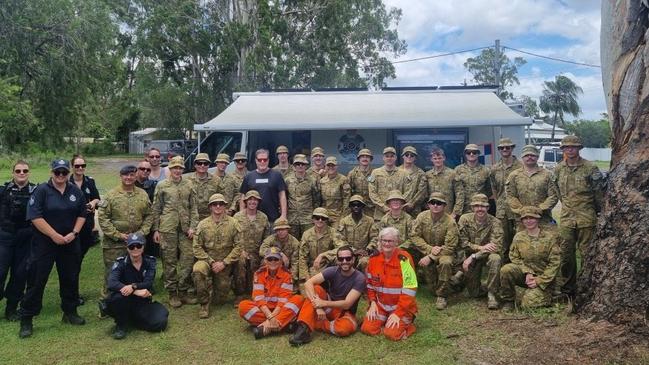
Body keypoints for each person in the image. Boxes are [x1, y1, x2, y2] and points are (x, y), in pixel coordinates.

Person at [18, 159, 87, 338]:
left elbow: (82, 214)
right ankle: (27, 319)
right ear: (52, 172)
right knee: (36, 280)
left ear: (68, 173)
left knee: (70, 278)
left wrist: (74, 233)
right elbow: (35, 216)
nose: (61, 176)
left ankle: (70, 312)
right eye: (58, 172)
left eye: (64, 172)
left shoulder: (75, 191)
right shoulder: (41, 191)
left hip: (70, 242)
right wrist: (54, 235)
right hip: (45, 244)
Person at [554, 135, 604, 299]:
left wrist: (599, 211)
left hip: (586, 218)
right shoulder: (559, 168)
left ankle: (586, 288)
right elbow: (558, 192)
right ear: (563, 150)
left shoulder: (590, 168)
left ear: (579, 148)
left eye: (573, 147)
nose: (570, 149)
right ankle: (568, 290)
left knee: (587, 254)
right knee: (566, 255)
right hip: (567, 219)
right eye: (567, 147)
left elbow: (598, 194)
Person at [98, 165, 153, 306]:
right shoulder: (111, 195)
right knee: (112, 273)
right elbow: (103, 219)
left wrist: (141, 234)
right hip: (115, 244)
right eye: (125, 175)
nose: (128, 178)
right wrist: (119, 235)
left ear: (136, 176)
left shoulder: (142, 194)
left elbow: (149, 216)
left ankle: (135, 301)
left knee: (135, 271)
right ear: (120, 176)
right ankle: (107, 303)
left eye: (131, 175)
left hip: (136, 244)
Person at [289, 246, 366, 345]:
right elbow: (308, 283)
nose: (344, 261)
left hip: (344, 311)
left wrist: (322, 303)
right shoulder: (332, 270)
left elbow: (347, 304)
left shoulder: (359, 278)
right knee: (316, 289)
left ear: (353, 259)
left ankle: (313, 322)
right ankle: (302, 331)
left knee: (344, 329)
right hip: (328, 307)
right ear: (337, 260)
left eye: (348, 258)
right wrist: (318, 307)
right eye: (341, 259)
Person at [151, 156, 199, 308]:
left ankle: (184, 290)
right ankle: (172, 293)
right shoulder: (162, 185)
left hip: (185, 229)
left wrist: (193, 226)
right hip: (167, 228)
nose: (177, 170)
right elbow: (156, 208)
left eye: (180, 168)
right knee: (169, 261)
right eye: (174, 168)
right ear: (170, 169)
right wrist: (156, 229)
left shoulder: (189, 185)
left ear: (183, 170)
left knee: (187, 260)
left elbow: (194, 208)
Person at [105, 233, 168, 339]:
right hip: (124, 299)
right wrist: (134, 291)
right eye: (131, 246)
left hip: (141, 301)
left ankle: (132, 321)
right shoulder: (120, 262)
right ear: (127, 248)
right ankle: (121, 325)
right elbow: (111, 282)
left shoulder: (150, 261)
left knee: (160, 323)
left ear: (143, 246)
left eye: (138, 246)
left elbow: (148, 282)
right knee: (117, 298)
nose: (135, 249)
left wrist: (133, 286)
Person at [499, 206, 561, 311]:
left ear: (538, 219)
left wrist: (539, 280)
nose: (528, 221)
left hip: (545, 279)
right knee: (506, 269)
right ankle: (508, 301)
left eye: (532, 218)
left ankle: (549, 295)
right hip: (526, 275)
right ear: (522, 220)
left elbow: (555, 263)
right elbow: (514, 256)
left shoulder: (550, 238)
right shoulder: (519, 237)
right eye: (525, 218)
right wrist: (527, 272)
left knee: (527, 305)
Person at [361, 227, 417, 341]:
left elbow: (410, 289)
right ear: (380, 241)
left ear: (397, 242)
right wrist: (372, 303)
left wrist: (398, 313)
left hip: (401, 307)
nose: (387, 243)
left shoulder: (404, 259)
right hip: (381, 305)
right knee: (367, 329)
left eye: (390, 241)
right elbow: (370, 284)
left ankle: (408, 326)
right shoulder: (373, 259)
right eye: (384, 240)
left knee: (391, 335)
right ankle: (388, 322)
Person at [192, 193, 242, 318]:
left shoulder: (234, 223)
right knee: (198, 270)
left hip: (226, 262)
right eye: (215, 204)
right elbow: (196, 247)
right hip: (208, 260)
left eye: (221, 204)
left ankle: (226, 288)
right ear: (210, 207)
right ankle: (204, 303)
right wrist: (211, 262)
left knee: (219, 300)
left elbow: (239, 246)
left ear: (225, 206)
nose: (218, 206)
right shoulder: (202, 225)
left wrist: (224, 262)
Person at [238, 247, 304, 339]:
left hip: (280, 309)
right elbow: (258, 299)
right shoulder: (259, 274)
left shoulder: (287, 275)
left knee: (298, 299)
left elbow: (283, 301)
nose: (273, 261)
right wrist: (270, 317)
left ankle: (265, 327)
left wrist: (271, 318)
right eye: (270, 259)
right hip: (264, 310)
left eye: (276, 259)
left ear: (281, 261)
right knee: (243, 306)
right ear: (265, 261)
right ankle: (284, 325)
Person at [410, 192, 459, 310]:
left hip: (444, 253)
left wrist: (431, 257)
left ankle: (442, 296)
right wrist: (429, 249)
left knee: (445, 263)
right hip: (426, 250)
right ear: (428, 205)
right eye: (433, 202)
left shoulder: (450, 222)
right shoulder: (422, 217)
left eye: (439, 203)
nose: (435, 205)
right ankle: (452, 279)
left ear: (444, 206)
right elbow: (414, 236)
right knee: (432, 289)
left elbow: (450, 247)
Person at [0, 161, 36, 321]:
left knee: (20, 274)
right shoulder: (3, 191)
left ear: (29, 172)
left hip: (26, 238)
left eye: (25, 170)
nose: (22, 173)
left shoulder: (36, 191)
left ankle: (11, 309)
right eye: (18, 170)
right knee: (0, 272)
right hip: (5, 237)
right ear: (13, 172)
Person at [458, 193, 503, 309]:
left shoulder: (495, 222)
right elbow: (462, 242)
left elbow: (496, 246)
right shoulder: (464, 219)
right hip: (471, 256)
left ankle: (492, 294)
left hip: (485, 256)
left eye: (483, 206)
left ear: (488, 208)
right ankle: (483, 286)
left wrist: (473, 256)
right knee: (474, 293)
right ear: (472, 208)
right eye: (476, 206)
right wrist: (480, 248)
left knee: (496, 258)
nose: (480, 209)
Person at [70, 154, 100, 303]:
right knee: (73, 262)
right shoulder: (66, 182)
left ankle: (73, 293)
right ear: (72, 167)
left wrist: (93, 203)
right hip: (71, 228)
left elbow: (97, 198)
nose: (80, 168)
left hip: (87, 228)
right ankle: (73, 296)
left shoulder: (90, 182)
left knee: (78, 260)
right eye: (77, 166)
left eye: (83, 166)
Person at [505, 145, 559, 225]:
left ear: (537, 157)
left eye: (532, 155)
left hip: (543, 218)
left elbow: (553, 195)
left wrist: (540, 209)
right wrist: (522, 210)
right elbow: (510, 196)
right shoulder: (514, 175)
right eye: (526, 155)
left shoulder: (547, 175)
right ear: (522, 157)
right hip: (522, 219)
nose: (529, 157)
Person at [232, 190, 270, 304]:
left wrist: (263, 253)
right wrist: (240, 251)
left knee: (265, 264)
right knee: (240, 262)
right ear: (245, 201)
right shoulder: (237, 217)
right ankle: (240, 294)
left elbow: (266, 239)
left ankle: (256, 291)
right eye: (250, 199)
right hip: (240, 251)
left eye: (255, 200)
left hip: (257, 253)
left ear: (258, 202)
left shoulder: (263, 217)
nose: (252, 202)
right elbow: (232, 237)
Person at [489, 138, 522, 264]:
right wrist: (499, 203)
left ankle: (518, 266)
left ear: (512, 148)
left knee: (519, 238)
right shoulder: (494, 168)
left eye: (507, 147)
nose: (505, 150)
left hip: (518, 209)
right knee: (503, 240)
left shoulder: (521, 166)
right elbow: (494, 189)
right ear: (499, 150)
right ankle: (503, 266)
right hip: (502, 210)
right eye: (502, 148)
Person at [297, 208, 344, 288]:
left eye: (323, 218)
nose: (320, 220)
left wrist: (323, 255)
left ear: (327, 220)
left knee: (341, 258)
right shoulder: (307, 234)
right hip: (314, 267)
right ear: (313, 219)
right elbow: (302, 257)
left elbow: (342, 248)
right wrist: (306, 277)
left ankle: (341, 282)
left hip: (329, 264)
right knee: (307, 291)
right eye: (317, 218)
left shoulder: (333, 232)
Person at [240, 149, 287, 222]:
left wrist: (283, 215)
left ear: (268, 160)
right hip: (253, 220)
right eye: (260, 160)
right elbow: (243, 196)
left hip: (273, 219)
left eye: (265, 160)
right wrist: (242, 215)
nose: (262, 162)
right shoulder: (249, 177)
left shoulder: (277, 175)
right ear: (256, 160)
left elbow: (282, 196)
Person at [285, 154, 321, 240]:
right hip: (292, 218)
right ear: (294, 166)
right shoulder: (287, 180)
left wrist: (314, 216)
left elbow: (317, 200)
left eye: (302, 164)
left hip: (307, 218)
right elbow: (284, 198)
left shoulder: (312, 180)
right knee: (292, 242)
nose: (300, 166)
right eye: (297, 164)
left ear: (306, 165)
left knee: (309, 241)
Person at [336, 195, 375, 271]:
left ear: (362, 206)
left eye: (358, 205)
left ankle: (365, 281)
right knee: (338, 261)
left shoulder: (370, 221)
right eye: (353, 205)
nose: (356, 207)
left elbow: (375, 237)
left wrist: (368, 249)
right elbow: (340, 239)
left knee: (365, 262)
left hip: (364, 253)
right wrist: (353, 250)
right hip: (347, 252)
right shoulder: (344, 221)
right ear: (350, 206)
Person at [425, 148, 464, 220]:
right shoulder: (427, 175)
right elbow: (424, 195)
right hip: (431, 213)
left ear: (444, 158)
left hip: (448, 213)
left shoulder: (452, 174)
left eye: (439, 158)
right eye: (435, 158)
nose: (437, 160)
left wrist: (455, 213)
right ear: (431, 159)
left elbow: (460, 195)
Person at [368, 147, 405, 221]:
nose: (389, 158)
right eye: (387, 156)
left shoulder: (403, 173)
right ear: (383, 158)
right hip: (380, 214)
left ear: (395, 158)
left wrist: (397, 207)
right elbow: (372, 193)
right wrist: (383, 207)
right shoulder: (375, 172)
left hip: (398, 214)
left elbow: (407, 191)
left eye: (392, 156)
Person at [259, 218, 300, 284]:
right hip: (273, 266)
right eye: (278, 230)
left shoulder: (295, 243)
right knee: (264, 262)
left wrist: (291, 278)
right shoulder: (271, 239)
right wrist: (279, 253)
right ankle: (265, 282)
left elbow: (295, 263)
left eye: (283, 229)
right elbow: (262, 251)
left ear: (287, 229)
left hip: (287, 269)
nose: (280, 232)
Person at [455, 144, 492, 214]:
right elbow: (455, 190)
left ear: (478, 154)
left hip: (480, 208)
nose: (471, 154)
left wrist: (481, 199)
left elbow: (490, 189)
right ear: (465, 154)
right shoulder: (458, 170)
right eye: (468, 152)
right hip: (463, 209)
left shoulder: (486, 170)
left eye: (474, 152)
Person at [135, 159, 159, 258]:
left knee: (148, 255)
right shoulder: (130, 183)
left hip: (148, 224)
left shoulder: (154, 186)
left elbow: (156, 208)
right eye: (142, 169)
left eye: (148, 170)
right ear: (137, 170)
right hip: (133, 223)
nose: (145, 171)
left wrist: (156, 230)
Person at [188, 153, 221, 220]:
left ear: (208, 165)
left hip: (211, 217)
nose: (202, 165)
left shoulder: (216, 180)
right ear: (195, 165)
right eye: (199, 163)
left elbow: (221, 199)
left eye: (205, 163)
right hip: (192, 218)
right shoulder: (187, 180)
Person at [320, 156, 351, 226]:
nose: (331, 167)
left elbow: (346, 199)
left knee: (336, 236)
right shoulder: (322, 181)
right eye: (328, 165)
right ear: (325, 166)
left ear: (337, 166)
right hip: (324, 215)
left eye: (333, 165)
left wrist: (343, 217)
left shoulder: (343, 180)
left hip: (338, 216)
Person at [347, 148, 375, 218]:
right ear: (358, 159)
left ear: (370, 159)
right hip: (356, 207)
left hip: (371, 208)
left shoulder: (375, 173)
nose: (365, 158)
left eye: (367, 157)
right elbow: (347, 193)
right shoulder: (352, 173)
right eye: (362, 156)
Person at [399, 146, 427, 215]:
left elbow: (422, 191)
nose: (409, 156)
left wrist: (412, 203)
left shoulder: (420, 173)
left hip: (414, 209)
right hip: (398, 208)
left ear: (415, 157)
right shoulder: (396, 171)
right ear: (403, 156)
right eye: (407, 155)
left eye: (412, 155)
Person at [222, 151, 248, 216]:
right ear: (234, 162)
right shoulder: (229, 177)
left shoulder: (251, 176)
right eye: (237, 160)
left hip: (250, 209)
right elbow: (228, 196)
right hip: (234, 211)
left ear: (246, 162)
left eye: (242, 160)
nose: (240, 162)